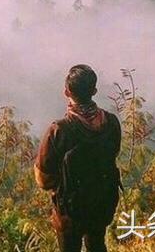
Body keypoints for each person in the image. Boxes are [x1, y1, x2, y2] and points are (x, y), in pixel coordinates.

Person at [34, 64, 121, 252]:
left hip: (70, 211)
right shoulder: (111, 122)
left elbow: (43, 180)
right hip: (102, 202)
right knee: (97, 244)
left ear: (66, 92)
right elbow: (112, 154)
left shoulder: (59, 130)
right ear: (94, 91)